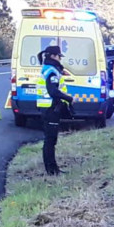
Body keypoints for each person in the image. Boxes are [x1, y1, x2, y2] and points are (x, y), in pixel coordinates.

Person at [35, 45, 73, 176]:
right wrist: (68, 98)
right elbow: (53, 91)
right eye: (59, 56)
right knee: (50, 140)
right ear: (53, 56)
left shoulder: (49, 69)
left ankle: (53, 168)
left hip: (47, 108)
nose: (60, 59)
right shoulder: (51, 71)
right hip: (50, 108)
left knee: (50, 140)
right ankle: (51, 170)